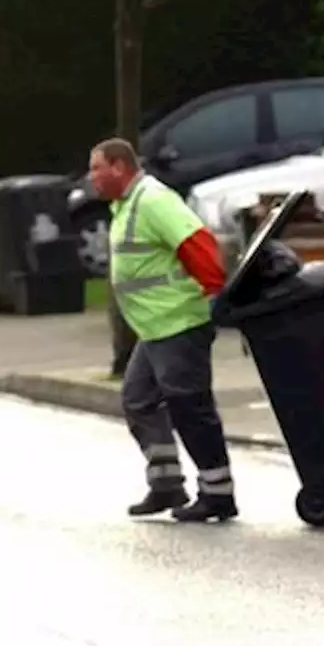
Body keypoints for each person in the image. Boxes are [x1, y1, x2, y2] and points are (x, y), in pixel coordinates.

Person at [87, 138, 236, 523]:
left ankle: (218, 492)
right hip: (155, 328)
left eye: (96, 168)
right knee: (138, 400)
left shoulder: (153, 200)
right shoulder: (126, 206)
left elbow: (197, 243)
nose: (92, 178)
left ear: (119, 166)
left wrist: (214, 292)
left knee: (189, 405)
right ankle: (167, 484)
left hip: (179, 321)